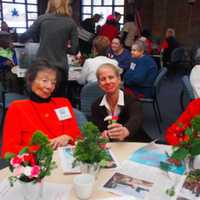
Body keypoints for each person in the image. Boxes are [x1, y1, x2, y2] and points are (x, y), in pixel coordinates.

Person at [1, 59, 81, 157]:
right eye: (45, 81)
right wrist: (42, 149)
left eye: (53, 83)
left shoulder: (63, 103)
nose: (49, 86)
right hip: (36, 165)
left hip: (66, 160)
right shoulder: (18, 108)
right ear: (31, 80)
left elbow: (77, 136)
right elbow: (9, 150)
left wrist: (68, 137)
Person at [19, 0, 79, 96]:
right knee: (58, 102)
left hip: (41, 67)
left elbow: (22, 38)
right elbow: (74, 50)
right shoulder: (71, 22)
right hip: (60, 70)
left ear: (50, 4)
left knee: (39, 100)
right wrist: (62, 47)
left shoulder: (42, 19)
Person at [91, 63, 151, 142]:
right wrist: (102, 134)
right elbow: (97, 130)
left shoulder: (132, 99)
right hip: (111, 148)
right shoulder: (96, 105)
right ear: (99, 84)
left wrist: (126, 131)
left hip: (135, 144)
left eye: (111, 77)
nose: (108, 82)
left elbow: (137, 119)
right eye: (103, 79)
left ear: (119, 79)